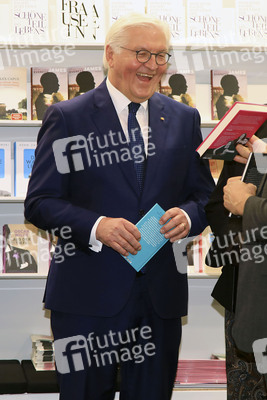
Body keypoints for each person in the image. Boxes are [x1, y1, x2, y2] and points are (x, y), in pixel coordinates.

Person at [24, 13, 214, 400]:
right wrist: (98, 227)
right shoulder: (67, 117)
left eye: (161, 56)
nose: (153, 66)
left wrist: (189, 216)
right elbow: (40, 203)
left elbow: (204, 196)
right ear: (110, 55)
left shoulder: (184, 118)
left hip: (159, 301)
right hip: (86, 301)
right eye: (142, 53)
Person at [205, 124, 267, 399]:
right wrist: (245, 245)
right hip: (246, 295)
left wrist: (248, 208)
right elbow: (221, 204)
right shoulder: (256, 125)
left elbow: (244, 203)